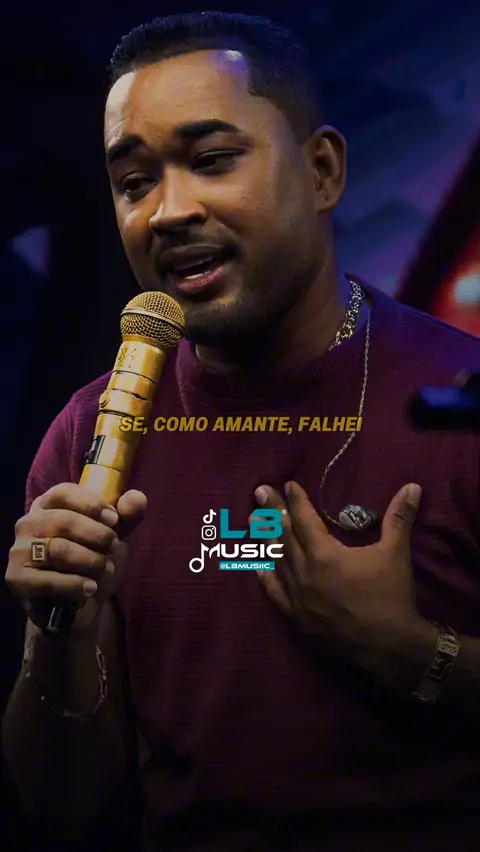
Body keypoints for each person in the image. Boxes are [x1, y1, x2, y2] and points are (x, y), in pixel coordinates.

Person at [3, 11, 480, 852]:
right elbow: (64, 808)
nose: (167, 212)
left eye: (213, 159)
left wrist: (410, 652)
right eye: (134, 181)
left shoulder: (460, 401)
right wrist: (58, 634)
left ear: (322, 170)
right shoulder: (87, 437)